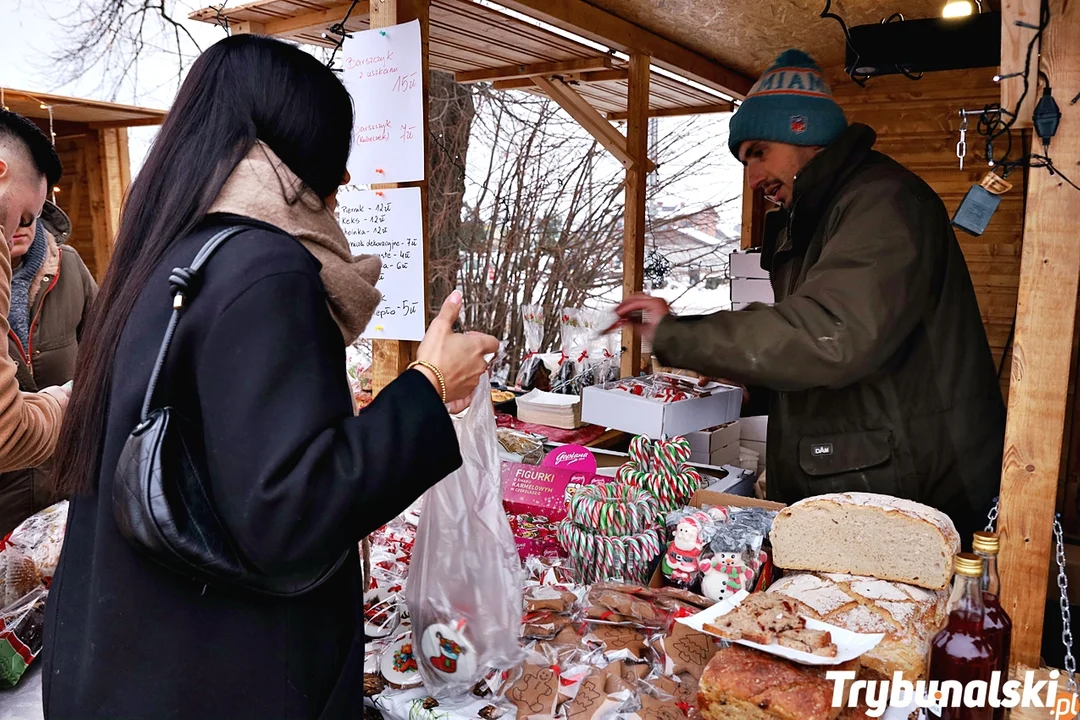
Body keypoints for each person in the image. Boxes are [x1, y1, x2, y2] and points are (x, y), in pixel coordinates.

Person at [43, 35, 498, 719]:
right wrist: (429, 387)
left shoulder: (164, 251)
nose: (343, 186)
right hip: (227, 671)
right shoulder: (264, 266)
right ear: (309, 148)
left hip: (128, 654)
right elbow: (291, 511)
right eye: (338, 160)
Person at [614, 49, 1005, 545]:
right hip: (861, 479)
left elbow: (830, 334)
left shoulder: (883, 203)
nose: (754, 179)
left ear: (803, 132)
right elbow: (822, 355)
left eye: (758, 151)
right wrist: (746, 383)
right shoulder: (816, 218)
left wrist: (677, 334)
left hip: (906, 490)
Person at [0, 201, 97, 535]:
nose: (22, 224)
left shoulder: (68, 266)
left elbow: (104, 353)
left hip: (71, 491)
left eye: (30, 215)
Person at [0, 110, 69, 474]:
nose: (17, 230)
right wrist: (66, 401)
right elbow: (4, 434)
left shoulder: (68, 265)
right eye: (25, 215)